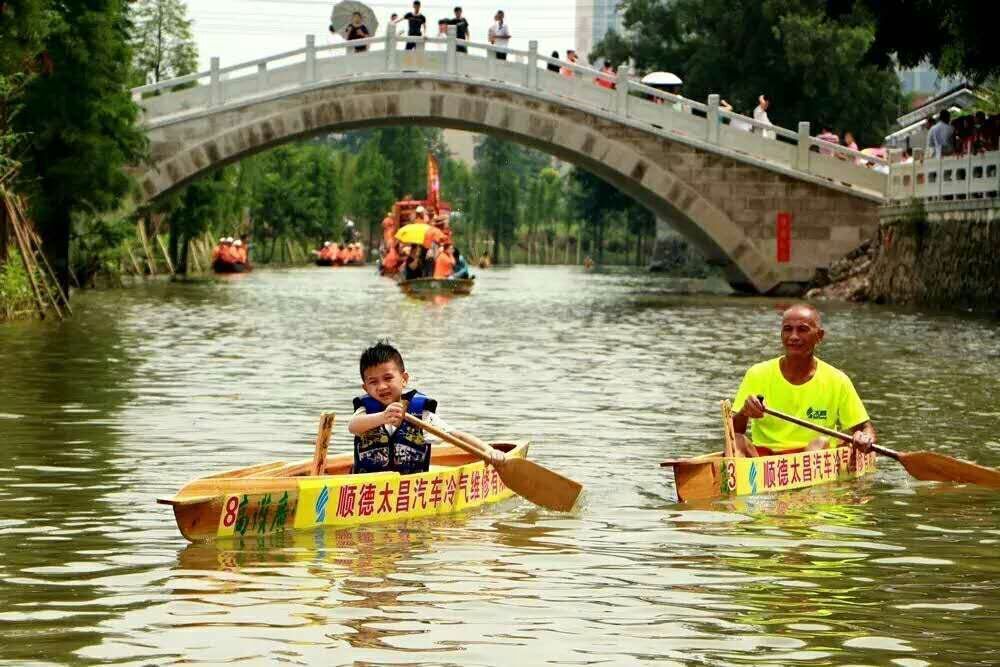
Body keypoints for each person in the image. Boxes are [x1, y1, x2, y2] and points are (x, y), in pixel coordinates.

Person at [729, 304, 876, 458]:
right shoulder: (757, 373)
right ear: (781, 334)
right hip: (765, 461)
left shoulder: (838, 380)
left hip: (813, 457)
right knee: (737, 441)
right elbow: (733, 432)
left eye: (802, 329)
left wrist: (864, 438)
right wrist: (745, 412)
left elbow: (866, 428)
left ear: (819, 336)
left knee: (819, 443)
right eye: (787, 329)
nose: (793, 336)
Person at [349, 341, 504, 475]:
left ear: (404, 379)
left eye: (388, 378)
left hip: (410, 488)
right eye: (373, 382)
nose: (382, 386)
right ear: (365, 388)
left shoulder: (419, 413)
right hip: (369, 486)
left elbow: (455, 435)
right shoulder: (365, 411)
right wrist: (383, 416)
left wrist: (488, 451)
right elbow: (353, 426)